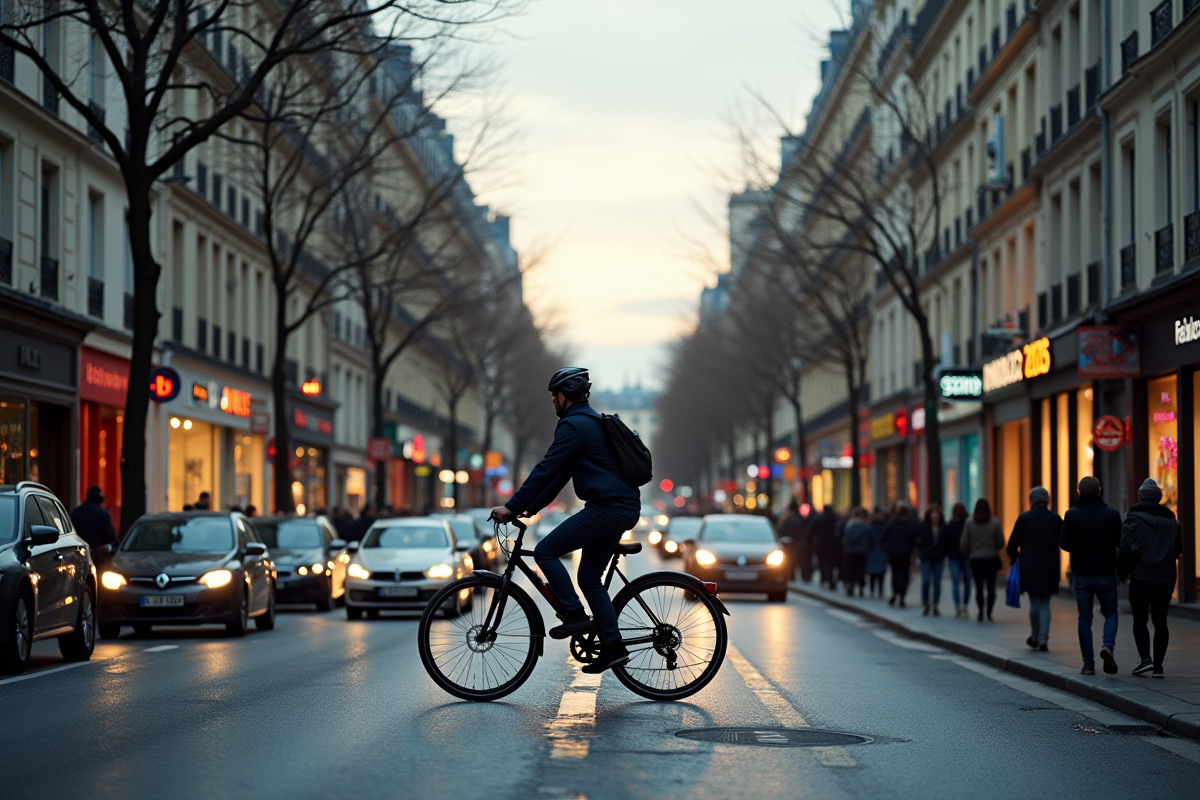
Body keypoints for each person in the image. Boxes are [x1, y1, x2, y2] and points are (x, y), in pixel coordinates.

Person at [490, 367, 641, 674]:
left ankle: (575, 615)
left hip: (609, 508)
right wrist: (527, 508)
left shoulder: (574, 426)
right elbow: (559, 477)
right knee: (587, 578)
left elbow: (545, 468)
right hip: (619, 507)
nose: (552, 403)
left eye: (553, 396)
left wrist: (510, 506)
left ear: (564, 396)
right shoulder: (588, 423)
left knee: (545, 551)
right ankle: (613, 647)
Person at [1119, 479, 1183, 679]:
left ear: (1140, 497)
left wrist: (1121, 572)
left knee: (1140, 619)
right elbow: (1178, 550)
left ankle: (1145, 659)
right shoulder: (1171, 521)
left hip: (1140, 576)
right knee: (1160, 620)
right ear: (1159, 498)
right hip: (1165, 578)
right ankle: (1158, 667)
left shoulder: (1133, 519)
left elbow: (1126, 548)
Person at [1060, 475, 1123, 675]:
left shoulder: (1072, 514)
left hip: (1082, 573)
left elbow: (1064, 543)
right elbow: (1120, 541)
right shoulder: (1112, 515)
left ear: (1078, 493)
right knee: (1111, 612)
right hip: (1105, 572)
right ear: (1100, 491)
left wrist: (1079, 547)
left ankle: (1088, 664)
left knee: (1085, 618)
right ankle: (1107, 645)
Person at [1005, 487, 1062, 651]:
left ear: (1032, 500)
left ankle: (1035, 635)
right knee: (1045, 603)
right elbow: (1064, 541)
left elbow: (1011, 545)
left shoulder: (1024, 518)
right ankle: (1044, 637)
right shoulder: (1055, 519)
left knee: (1035, 602)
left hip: (1029, 566)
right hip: (1050, 566)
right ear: (1047, 500)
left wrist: (1016, 557)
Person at [962, 498, 1004, 622]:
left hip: (976, 559)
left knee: (979, 587)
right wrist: (993, 548)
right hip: (990, 558)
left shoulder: (969, 523)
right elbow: (1000, 542)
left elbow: (964, 543)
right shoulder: (995, 523)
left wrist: (969, 553)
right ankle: (989, 612)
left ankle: (981, 611)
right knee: (991, 587)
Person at [881, 504, 917, 607]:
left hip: (893, 554)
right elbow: (914, 541)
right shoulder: (909, 526)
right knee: (904, 575)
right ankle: (901, 595)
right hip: (905, 554)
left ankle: (895, 592)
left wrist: (887, 550)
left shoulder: (890, 525)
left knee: (895, 574)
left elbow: (883, 540)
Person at [917, 505, 948, 616]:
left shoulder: (943, 528)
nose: (935, 516)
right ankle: (926, 602)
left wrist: (944, 552)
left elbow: (946, 542)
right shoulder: (923, 527)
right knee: (926, 581)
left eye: (937, 514)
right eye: (933, 514)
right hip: (926, 558)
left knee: (937, 582)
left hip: (939, 558)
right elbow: (917, 540)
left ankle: (935, 605)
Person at [941, 502, 971, 617]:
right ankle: (964, 605)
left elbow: (945, 542)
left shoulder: (950, 525)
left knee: (956, 582)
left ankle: (958, 605)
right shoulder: (967, 523)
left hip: (954, 557)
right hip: (964, 556)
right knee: (965, 581)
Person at [70, 485, 117, 553]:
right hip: (98, 554)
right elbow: (111, 536)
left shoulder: (76, 512)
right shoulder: (104, 514)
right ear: (99, 497)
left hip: (79, 552)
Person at [840, 507, 872, 597]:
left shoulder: (849, 525)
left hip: (850, 551)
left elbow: (845, 538)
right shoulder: (866, 526)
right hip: (862, 552)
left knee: (851, 570)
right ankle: (861, 587)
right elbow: (871, 539)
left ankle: (851, 586)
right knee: (861, 570)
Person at [809, 505, 839, 589]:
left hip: (821, 544)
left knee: (822, 562)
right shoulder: (834, 518)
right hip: (832, 544)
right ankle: (830, 580)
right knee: (831, 563)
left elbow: (811, 530)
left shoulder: (819, 518)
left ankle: (823, 579)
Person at [865, 507, 889, 598]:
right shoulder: (882, 525)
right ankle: (878, 591)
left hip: (875, 551)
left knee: (875, 573)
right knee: (878, 573)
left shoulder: (871, 526)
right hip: (877, 551)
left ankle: (876, 590)